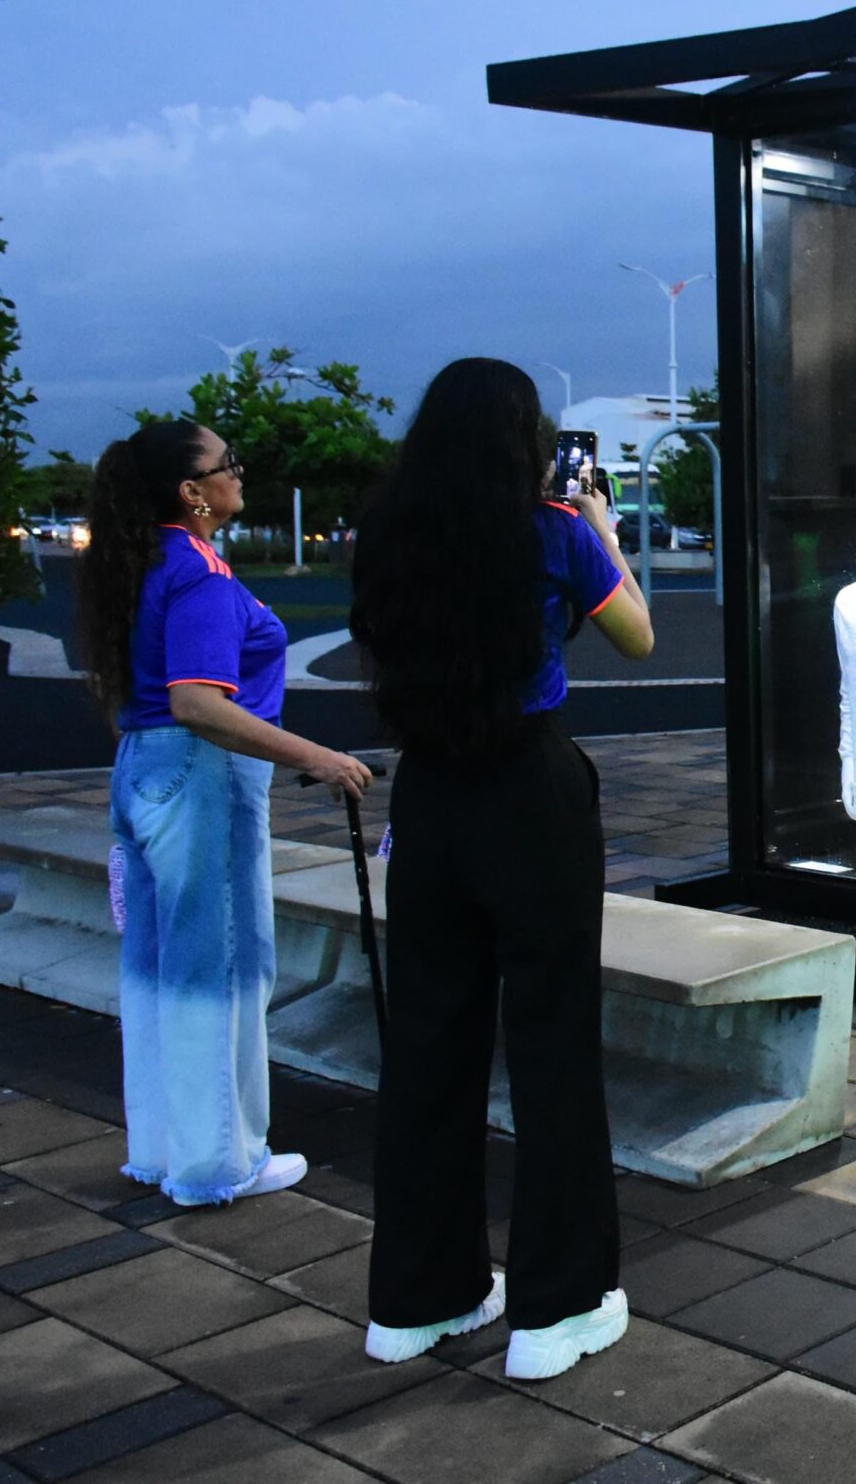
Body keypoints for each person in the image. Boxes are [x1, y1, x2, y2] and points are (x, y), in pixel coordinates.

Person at [348, 359, 654, 1381]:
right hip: (531, 792)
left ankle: (416, 1298)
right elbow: (639, 636)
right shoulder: (554, 531)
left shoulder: (388, 533)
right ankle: (556, 1306)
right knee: (553, 1041)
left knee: (429, 1041)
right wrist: (600, 528)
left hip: (428, 797)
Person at [78, 420, 372, 1206]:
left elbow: (145, 699)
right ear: (193, 491)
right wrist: (318, 757)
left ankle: (166, 1148)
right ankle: (219, 1163)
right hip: (202, 776)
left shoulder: (144, 563)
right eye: (226, 465)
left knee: (158, 963)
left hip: (142, 770)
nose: (239, 474)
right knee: (226, 966)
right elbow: (199, 704)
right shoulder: (201, 574)